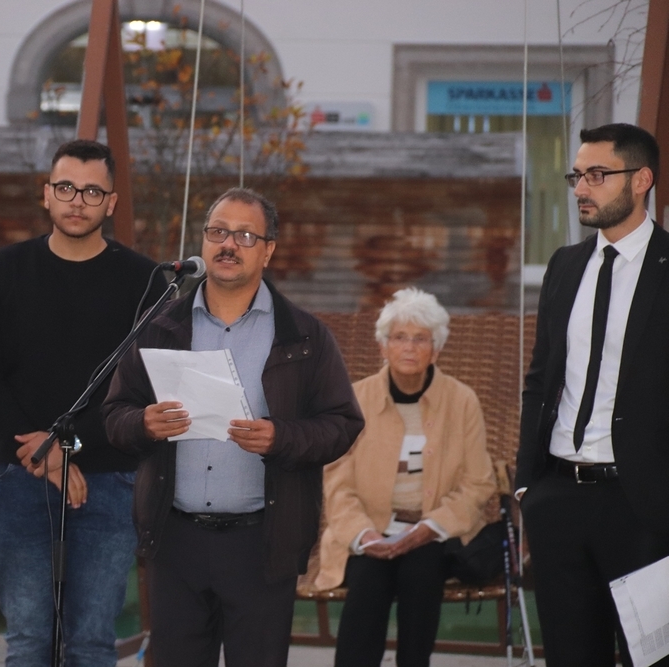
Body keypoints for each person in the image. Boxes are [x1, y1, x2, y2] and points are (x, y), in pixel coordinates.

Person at [103, 187, 365, 667]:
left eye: (245, 235)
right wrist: (143, 423)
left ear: (268, 250)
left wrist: (281, 437)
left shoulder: (304, 335)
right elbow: (114, 414)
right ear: (203, 241)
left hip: (261, 542)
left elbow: (343, 424)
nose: (228, 244)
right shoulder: (159, 327)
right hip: (175, 540)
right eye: (218, 232)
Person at [0, 139, 166, 666]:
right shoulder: (5, 269)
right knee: (28, 639)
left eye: (92, 191)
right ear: (47, 193)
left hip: (110, 478)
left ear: (111, 203)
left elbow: (145, 388)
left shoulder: (144, 282)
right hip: (19, 476)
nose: (78, 200)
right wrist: (44, 455)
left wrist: (65, 447)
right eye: (67, 187)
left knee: (92, 640)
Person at [517, 123, 669, 667]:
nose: (581, 188)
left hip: (643, 505)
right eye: (577, 175)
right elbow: (540, 379)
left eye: (597, 175)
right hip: (558, 498)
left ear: (641, 180)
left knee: (649, 658)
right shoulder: (565, 265)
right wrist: (527, 486)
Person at [314, 287, 495, 667]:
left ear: (436, 349)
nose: (409, 347)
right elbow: (337, 484)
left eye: (420, 339)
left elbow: (478, 482)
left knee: (422, 572)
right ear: (383, 346)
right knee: (368, 581)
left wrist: (429, 527)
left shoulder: (462, 401)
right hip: (369, 531)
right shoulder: (354, 400)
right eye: (399, 337)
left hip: (433, 532)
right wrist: (364, 535)